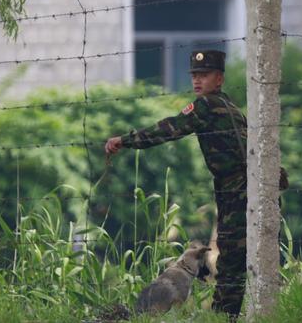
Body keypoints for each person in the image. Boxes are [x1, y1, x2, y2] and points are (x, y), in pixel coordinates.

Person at [105, 50, 250, 318]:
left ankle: (222, 318)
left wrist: (126, 140)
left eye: (203, 75)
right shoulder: (231, 107)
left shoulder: (206, 106)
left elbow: (170, 128)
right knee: (243, 261)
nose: (197, 81)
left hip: (236, 191)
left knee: (231, 263)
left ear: (219, 79)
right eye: (194, 76)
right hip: (247, 190)